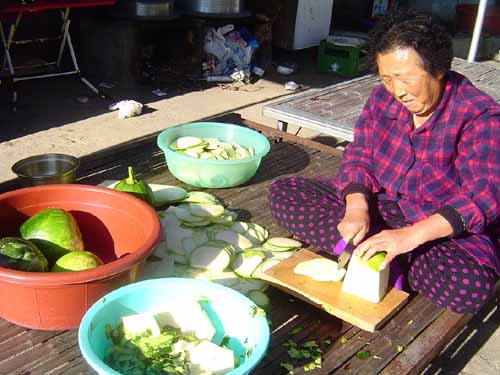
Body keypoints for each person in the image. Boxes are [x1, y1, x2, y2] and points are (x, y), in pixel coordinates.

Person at [267, 10, 500, 314]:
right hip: (384, 206)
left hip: (436, 227)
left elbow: (485, 196)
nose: (398, 91)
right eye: (387, 79)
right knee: (284, 192)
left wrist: (409, 237)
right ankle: (377, 253)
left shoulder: (479, 116)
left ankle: (377, 255)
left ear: (439, 69)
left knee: (469, 288)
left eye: (405, 78)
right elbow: (360, 154)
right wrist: (357, 208)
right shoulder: (382, 98)